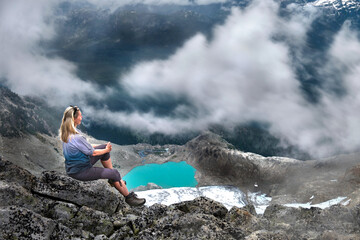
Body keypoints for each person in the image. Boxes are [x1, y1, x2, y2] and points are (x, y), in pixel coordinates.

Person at [59, 105, 145, 207]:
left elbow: (87, 146)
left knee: (104, 149)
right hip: (81, 171)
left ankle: (114, 180)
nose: (81, 117)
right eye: (80, 116)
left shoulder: (68, 132)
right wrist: (107, 150)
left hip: (74, 167)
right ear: (74, 118)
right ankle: (129, 198)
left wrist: (104, 148)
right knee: (115, 172)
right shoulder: (76, 137)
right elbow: (93, 153)